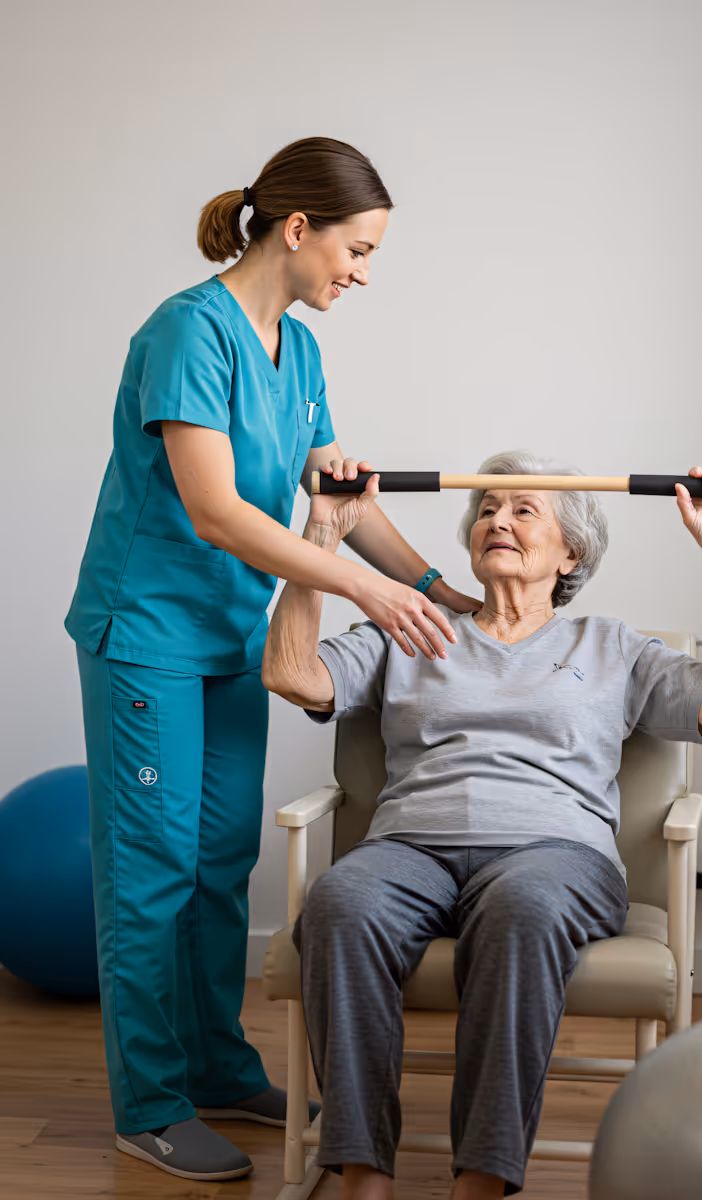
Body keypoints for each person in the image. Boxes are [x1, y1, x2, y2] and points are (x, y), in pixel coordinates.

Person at [64, 136, 478, 1183]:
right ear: (299, 230)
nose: (363, 273)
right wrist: (361, 591)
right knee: (152, 874)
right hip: (148, 636)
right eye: (359, 248)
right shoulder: (186, 331)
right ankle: (148, 1104)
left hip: (232, 641)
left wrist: (439, 593)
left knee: (218, 864)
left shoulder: (300, 350)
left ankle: (213, 1066)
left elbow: (339, 507)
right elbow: (217, 512)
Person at [262, 448, 702, 1200]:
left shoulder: (610, 646)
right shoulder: (413, 625)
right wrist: (324, 535)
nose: (496, 519)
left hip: (556, 857)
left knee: (523, 909)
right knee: (339, 902)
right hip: (411, 848)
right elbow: (291, 673)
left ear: (571, 552)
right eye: (487, 509)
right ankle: (362, 1176)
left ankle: (481, 1179)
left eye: (523, 509)